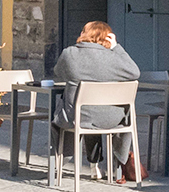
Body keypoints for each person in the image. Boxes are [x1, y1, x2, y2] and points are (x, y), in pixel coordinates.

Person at [53, 21, 143, 182]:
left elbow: (58, 72)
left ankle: (60, 162)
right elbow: (134, 72)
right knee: (92, 112)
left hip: (80, 117)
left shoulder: (70, 53)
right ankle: (108, 164)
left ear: (83, 34)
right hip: (113, 119)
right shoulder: (114, 58)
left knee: (66, 115)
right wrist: (117, 47)